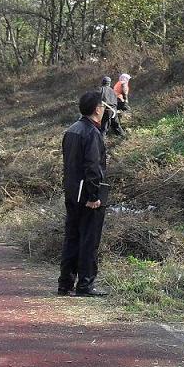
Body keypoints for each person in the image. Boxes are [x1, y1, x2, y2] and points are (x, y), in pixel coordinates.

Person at [58, 90, 110, 297]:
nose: (105, 110)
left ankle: (65, 284)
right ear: (97, 109)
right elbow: (93, 167)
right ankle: (85, 284)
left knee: (72, 237)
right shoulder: (91, 133)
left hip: (71, 191)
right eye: (104, 107)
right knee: (89, 239)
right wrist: (94, 195)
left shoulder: (71, 129)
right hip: (86, 194)